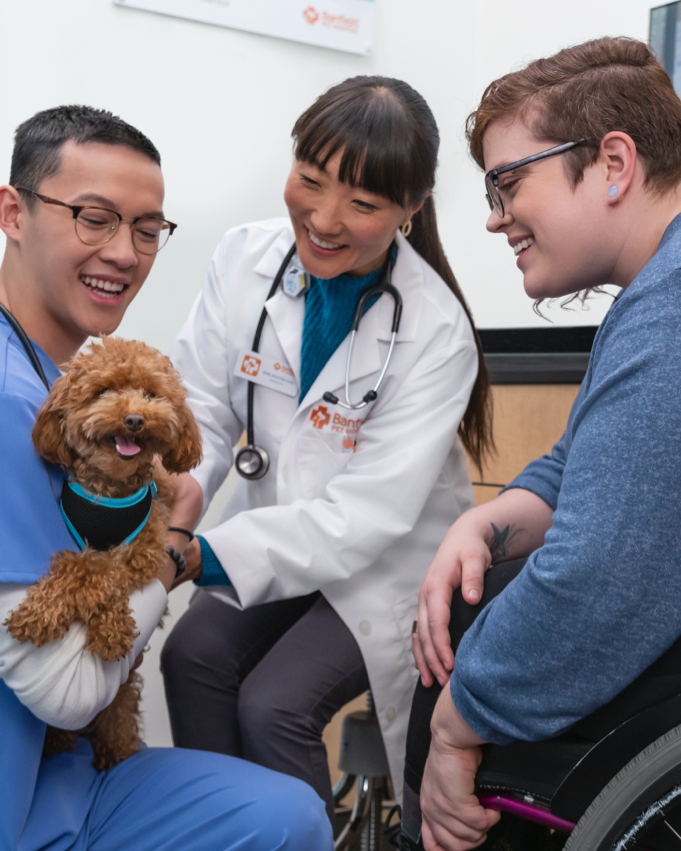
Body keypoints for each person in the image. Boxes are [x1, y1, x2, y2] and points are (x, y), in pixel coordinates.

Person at [160, 76, 493, 824]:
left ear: (411, 208)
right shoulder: (244, 258)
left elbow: (364, 515)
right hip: (277, 529)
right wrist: (169, 511)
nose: (323, 217)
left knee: (273, 705)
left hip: (383, 561)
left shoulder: (435, 331)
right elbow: (202, 411)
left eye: (364, 204)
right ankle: (218, 839)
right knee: (191, 658)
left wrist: (198, 557)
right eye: (309, 181)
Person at [0, 104, 331, 851]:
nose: (124, 251)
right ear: (12, 212)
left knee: (290, 811)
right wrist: (172, 537)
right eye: (93, 218)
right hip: (18, 793)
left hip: (68, 771)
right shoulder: (11, 401)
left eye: (147, 229)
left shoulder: (52, 374)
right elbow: (67, 690)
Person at [401, 36, 681, 851]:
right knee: (479, 593)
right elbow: (585, 461)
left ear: (612, 163)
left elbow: (595, 578)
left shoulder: (667, 319)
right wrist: (483, 523)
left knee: (461, 652)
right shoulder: (652, 294)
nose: (493, 217)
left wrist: (457, 729)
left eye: (507, 182)